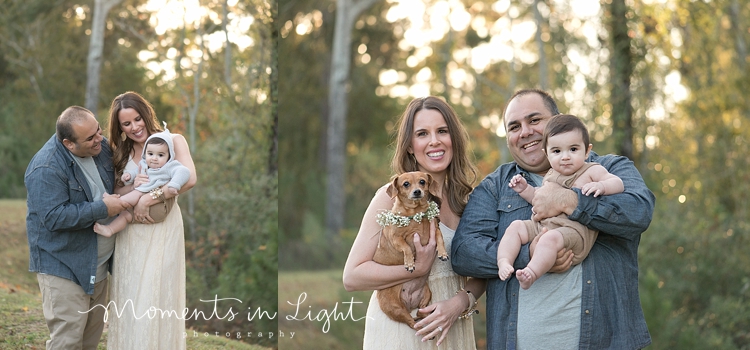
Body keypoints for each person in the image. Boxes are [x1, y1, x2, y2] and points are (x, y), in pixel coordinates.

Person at [451, 89, 655, 349]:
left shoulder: (607, 169)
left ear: (558, 121)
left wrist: (570, 201)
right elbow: (463, 252)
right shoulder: (496, 187)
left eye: (534, 120)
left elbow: (639, 212)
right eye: (514, 127)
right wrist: (529, 253)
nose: (525, 131)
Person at [343, 96, 486, 349]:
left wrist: (458, 304)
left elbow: (484, 272)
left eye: (442, 131)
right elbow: (353, 276)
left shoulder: (470, 200)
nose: (434, 141)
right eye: (422, 133)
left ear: (454, 138)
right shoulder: (390, 197)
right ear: (410, 146)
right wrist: (417, 269)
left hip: (453, 329)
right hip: (402, 331)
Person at [25, 106, 131, 349]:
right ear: (69, 143)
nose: (100, 140)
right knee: (68, 341)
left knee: (89, 341)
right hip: (65, 266)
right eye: (90, 138)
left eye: (98, 131)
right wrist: (104, 209)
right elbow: (53, 217)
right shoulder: (46, 168)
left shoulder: (100, 147)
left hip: (99, 265)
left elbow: (116, 181)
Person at [105, 91, 197, 349]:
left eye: (137, 119)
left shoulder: (173, 140)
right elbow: (116, 194)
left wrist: (150, 197)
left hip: (163, 229)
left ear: (146, 114)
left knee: (157, 294)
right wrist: (134, 188)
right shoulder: (119, 152)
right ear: (120, 127)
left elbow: (189, 178)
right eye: (126, 123)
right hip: (131, 232)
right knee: (132, 294)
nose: (134, 127)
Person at [497, 114, 624, 290]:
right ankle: (504, 261)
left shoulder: (592, 170)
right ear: (547, 154)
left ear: (587, 150)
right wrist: (525, 190)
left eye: (573, 149)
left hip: (573, 232)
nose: (565, 157)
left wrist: (601, 186)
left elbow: (618, 183)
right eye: (557, 151)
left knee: (550, 238)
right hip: (544, 226)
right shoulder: (551, 174)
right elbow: (539, 199)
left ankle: (531, 273)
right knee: (516, 227)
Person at [93, 126, 190, 237]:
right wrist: (128, 176)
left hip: (158, 206)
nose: (154, 158)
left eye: (161, 155)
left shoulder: (169, 166)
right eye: (150, 154)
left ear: (169, 156)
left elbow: (184, 171)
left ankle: (115, 201)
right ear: (145, 153)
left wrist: (174, 185)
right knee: (125, 215)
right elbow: (136, 172)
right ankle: (110, 229)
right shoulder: (144, 164)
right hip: (144, 205)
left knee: (137, 193)